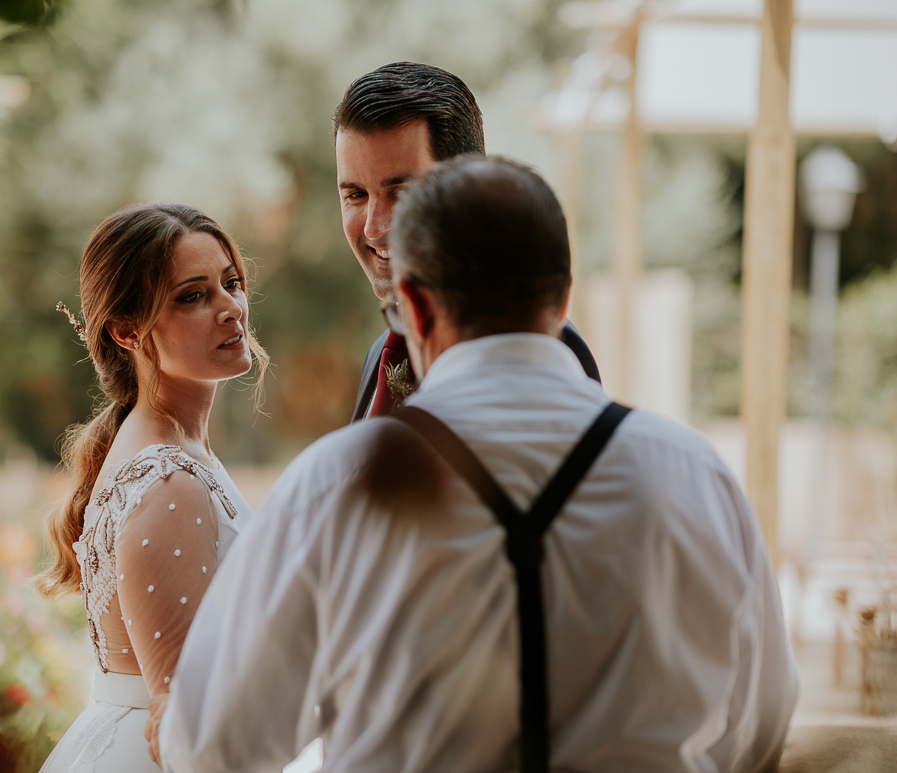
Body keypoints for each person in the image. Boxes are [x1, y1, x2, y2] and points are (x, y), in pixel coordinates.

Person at [153, 157, 797, 772]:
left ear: (415, 305)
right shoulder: (693, 474)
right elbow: (761, 722)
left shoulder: (335, 484)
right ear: (563, 297)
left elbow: (215, 747)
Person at [36, 203, 267, 773]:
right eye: (193, 296)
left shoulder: (179, 452)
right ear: (127, 330)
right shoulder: (167, 482)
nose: (230, 309)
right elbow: (186, 723)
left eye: (230, 283)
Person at [334, 61, 601, 421]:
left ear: (468, 186)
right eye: (355, 195)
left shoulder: (548, 348)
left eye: (402, 192)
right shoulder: (380, 354)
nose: (372, 228)